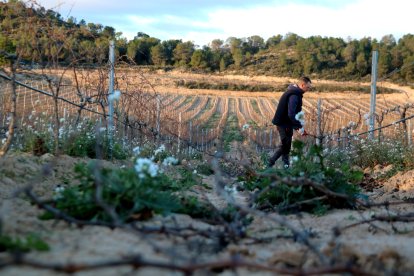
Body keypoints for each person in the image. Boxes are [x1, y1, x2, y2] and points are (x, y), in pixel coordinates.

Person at [268, 76, 312, 168]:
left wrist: (297, 127)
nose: (309, 89)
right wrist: (299, 127)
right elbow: (291, 114)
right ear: (302, 85)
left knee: (286, 145)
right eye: (308, 87)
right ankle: (268, 165)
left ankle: (286, 167)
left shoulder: (293, 91)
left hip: (286, 123)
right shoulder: (294, 95)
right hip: (284, 123)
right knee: (285, 145)